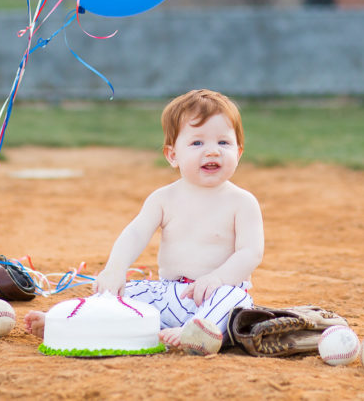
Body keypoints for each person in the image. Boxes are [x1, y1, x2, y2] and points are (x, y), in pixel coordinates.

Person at [24, 88, 264, 352]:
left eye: (223, 143)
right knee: (124, 293)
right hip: (169, 292)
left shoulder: (242, 202)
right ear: (173, 155)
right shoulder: (164, 198)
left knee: (235, 300)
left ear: (239, 152)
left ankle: (196, 332)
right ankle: (70, 322)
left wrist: (217, 279)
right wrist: (115, 269)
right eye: (197, 143)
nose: (212, 152)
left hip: (217, 293)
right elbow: (136, 234)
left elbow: (250, 253)